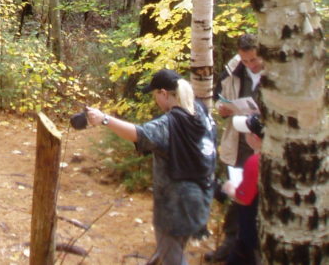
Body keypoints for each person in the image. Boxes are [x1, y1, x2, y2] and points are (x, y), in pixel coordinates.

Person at [86, 69, 216, 265]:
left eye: (155, 95)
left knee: (173, 256)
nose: (155, 100)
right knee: (173, 247)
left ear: (164, 93)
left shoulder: (171, 123)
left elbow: (140, 134)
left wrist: (104, 119)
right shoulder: (200, 113)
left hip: (175, 203)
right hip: (200, 197)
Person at [208, 33, 264, 262]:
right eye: (246, 60)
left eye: (254, 60)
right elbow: (220, 96)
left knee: (260, 198)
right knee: (238, 197)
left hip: (266, 142)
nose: (250, 64)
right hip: (239, 141)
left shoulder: (278, 69)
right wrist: (224, 108)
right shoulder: (234, 67)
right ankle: (231, 245)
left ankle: (253, 249)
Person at [220, 115, 263, 265]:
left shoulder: (255, 162)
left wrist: (230, 188)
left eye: (247, 133)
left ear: (254, 137)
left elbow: (243, 198)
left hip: (251, 230)